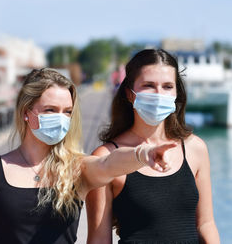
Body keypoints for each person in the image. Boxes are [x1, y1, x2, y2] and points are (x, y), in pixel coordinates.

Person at [0, 68, 176, 244]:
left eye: (67, 112)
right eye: (50, 110)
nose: (61, 119)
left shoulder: (76, 168)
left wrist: (141, 153)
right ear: (26, 112)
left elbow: (107, 164)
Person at [86, 49, 220, 243]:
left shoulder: (195, 149)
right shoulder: (106, 157)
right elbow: (99, 239)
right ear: (129, 94)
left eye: (167, 86)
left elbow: (206, 224)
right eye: (148, 85)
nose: (159, 94)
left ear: (176, 93)